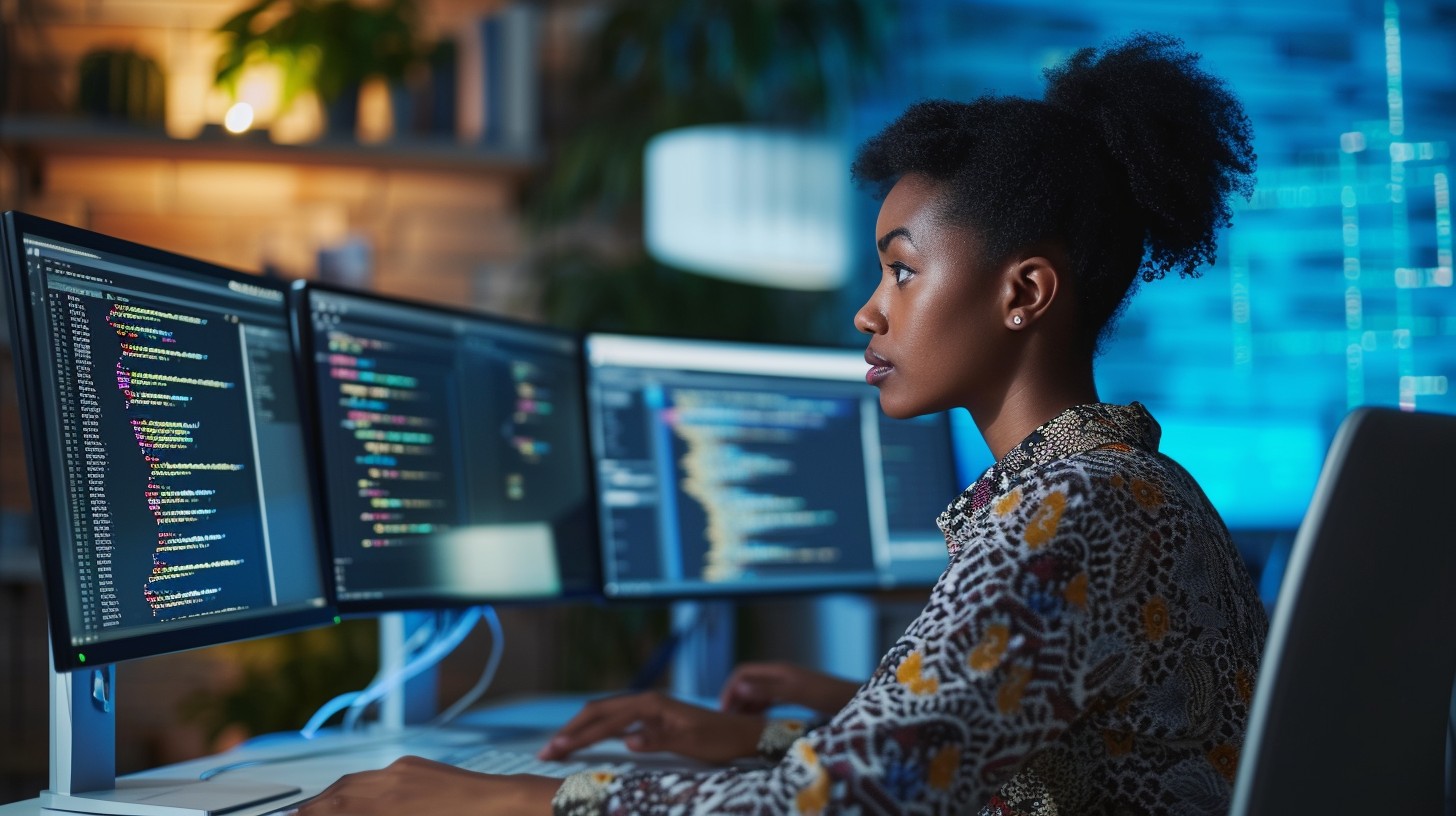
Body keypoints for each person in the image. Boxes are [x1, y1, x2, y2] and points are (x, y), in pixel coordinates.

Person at [297, 32, 1267, 816]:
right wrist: (775, 738)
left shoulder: (1067, 515)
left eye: (900, 269)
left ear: (1023, 292)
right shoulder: (1135, 488)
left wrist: (507, 803)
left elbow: (838, 809)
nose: (868, 311)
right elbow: (1020, 763)